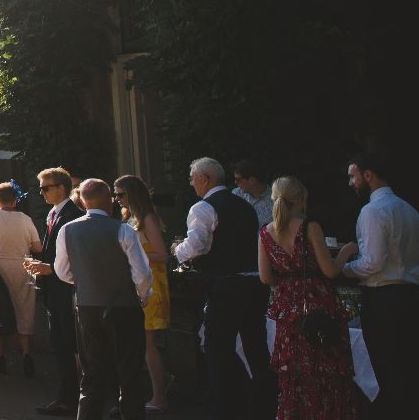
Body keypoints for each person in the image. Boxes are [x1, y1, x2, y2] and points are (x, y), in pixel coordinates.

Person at [172, 157, 274, 419]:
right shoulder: (244, 206)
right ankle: (265, 405)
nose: (191, 183)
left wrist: (177, 250)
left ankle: (226, 408)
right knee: (255, 346)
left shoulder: (203, 208)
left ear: (204, 179)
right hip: (254, 283)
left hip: (226, 284)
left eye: (193, 178)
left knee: (217, 349)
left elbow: (197, 245)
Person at [52, 179, 154, 420]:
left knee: (92, 374)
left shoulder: (67, 230)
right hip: (124, 307)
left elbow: (62, 271)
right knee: (129, 373)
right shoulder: (123, 230)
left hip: (87, 307)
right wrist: (143, 296)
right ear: (108, 199)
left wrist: (84, 283)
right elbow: (142, 273)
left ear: (83, 201)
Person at [259, 176, 357, 419]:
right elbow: (330, 270)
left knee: (295, 373)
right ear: (301, 201)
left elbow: (265, 277)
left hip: (287, 307)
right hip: (317, 302)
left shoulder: (265, 232)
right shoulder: (309, 227)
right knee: (325, 368)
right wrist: (346, 251)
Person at [336, 152, 419, 420]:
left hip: (383, 299)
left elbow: (372, 263)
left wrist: (343, 267)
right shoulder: (409, 209)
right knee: (408, 367)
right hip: (410, 295)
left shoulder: (372, 211)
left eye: (353, 175)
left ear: (368, 174)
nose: (350, 182)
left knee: (386, 368)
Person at [114, 175, 171, 412]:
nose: (116, 199)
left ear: (132, 194)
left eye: (120, 194)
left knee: (148, 343)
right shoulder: (130, 217)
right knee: (140, 342)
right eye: (115, 195)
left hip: (151, 283)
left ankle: (160, 397)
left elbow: (162, 254)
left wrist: (132, 257)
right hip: (137, 282)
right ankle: (160, 385)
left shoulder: (147, 218)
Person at [27, 166, 81, 416]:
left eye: (45, 188)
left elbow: (75, 255)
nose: (42, 193)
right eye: (40, 188)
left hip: (66, 290)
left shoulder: (72, 214)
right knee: (60, 344)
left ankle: (71, 397)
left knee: (70, 344)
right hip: (53, 290)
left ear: (61, 187)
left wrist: (48, 268)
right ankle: (68, 395)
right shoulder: (53, 213)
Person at [0, 181, 41, 378]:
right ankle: (26, 353)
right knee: (24, 308)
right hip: (22, 266)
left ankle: (0, 355)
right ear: (14, 201)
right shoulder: (25, 219)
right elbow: (37, 247)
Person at [233, 159, 274, 227]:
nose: (235, 182)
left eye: (238, 179)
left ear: (252, 180)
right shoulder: (236, 194)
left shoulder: (274, 201)